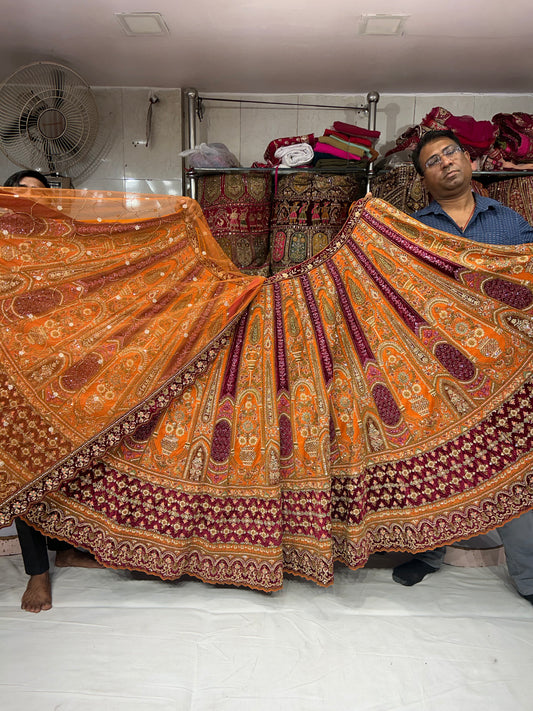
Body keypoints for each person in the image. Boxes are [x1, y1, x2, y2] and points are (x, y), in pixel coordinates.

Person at [391, 129, 533, 605]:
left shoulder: (512, 224)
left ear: (468, 160)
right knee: (435, 462)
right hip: (437, 366)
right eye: (433, 161)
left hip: (503, 368)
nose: (446, 163)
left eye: (451, 153)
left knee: (514, 463)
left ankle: (528, 574)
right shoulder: (414, 230)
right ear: (424, 179)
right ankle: (428, 556)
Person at [4, 169, 102, 613]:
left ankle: (65, 548)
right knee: (24, 465)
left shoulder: (67, 243)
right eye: (20, 191)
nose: (30, 198)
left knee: (66, 460)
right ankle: (37, 573)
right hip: (13, 370)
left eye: (40, 193)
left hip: (62, 365)